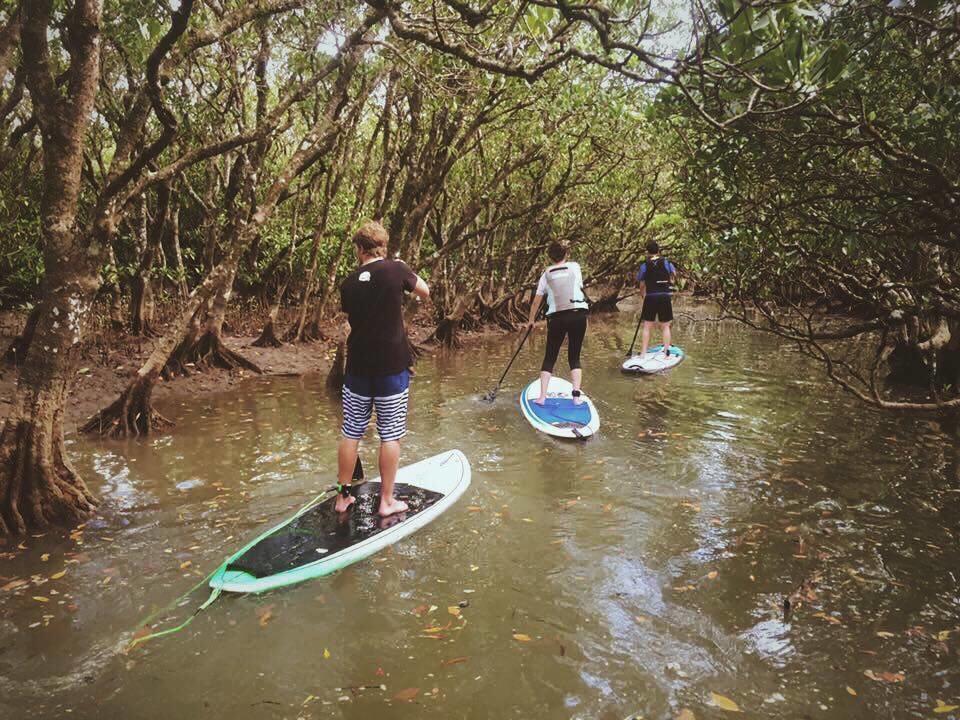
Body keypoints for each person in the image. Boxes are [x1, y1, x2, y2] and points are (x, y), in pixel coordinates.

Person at [335, 220, 430, 517]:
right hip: (392, 367)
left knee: (351, 431)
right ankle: (386, 502)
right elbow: (424, 292)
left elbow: (355, 314)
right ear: (382, 247)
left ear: (360, 249)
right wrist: (403, 267)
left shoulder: (348, 282)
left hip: (357, 368)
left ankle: (343, 498)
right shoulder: (396, 269)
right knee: (390, 435)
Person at [526, 241, 589, 405]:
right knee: (574, 356)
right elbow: (578, 286)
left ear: (549, 257)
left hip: (557, 318)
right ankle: (576, 398)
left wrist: (531, 321)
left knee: (550, 356)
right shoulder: (575, 267)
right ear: (566, 255)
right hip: (578, 315)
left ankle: (541, 398)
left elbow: (536, 302)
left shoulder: (545, 274)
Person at [636, 240, 677, 358]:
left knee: (647, 326)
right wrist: (672, 280)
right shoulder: (666, 262)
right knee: (665, 326)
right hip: (664, 296)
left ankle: (643, 354)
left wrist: (643, 295)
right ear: (658, 251)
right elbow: (674, 273)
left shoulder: (644, 265)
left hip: (651, 296)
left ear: (647, 252)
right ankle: (666, 353)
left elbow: (642, 284)